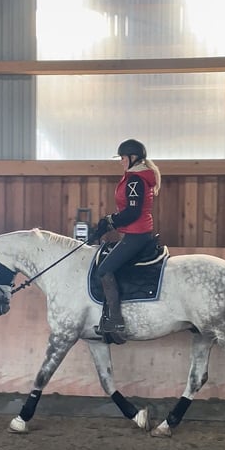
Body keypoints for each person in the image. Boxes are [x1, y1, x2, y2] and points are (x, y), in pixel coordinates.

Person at [93, 139, 162, 343]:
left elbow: (132, 212)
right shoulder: (135, 177)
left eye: (122, 158)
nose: (121, 162)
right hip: (135, 232)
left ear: (132, 158)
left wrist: (110, 220)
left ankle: (115, 321)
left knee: (104, 269)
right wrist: (110, 220)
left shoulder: (135, 180)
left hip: (136, 235)